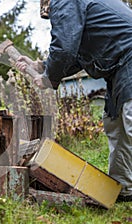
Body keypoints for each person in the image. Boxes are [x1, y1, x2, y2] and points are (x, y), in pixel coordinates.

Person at [16, 0, 132, 202]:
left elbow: (65, 48)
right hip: (119, 68)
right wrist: (41, 66)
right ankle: (125, 190)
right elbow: (77, 56)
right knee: (116, 126)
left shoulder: (65, 0)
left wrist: (48, 78)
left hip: (128, 59)